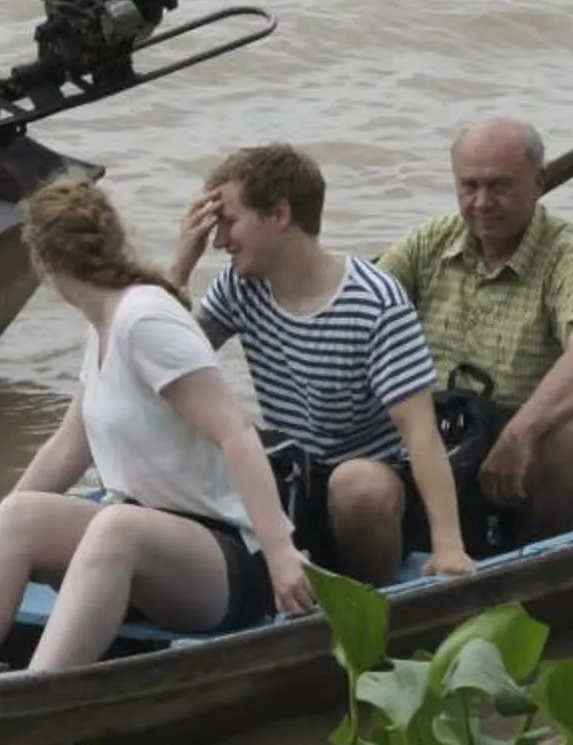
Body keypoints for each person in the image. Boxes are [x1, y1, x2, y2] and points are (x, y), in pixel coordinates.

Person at [0, 175, 313, 672]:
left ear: (43, 262)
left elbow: (235, 431)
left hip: (227, 562)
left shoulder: (143, 319)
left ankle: (40, 690)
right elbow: (69, 445)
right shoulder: (105, 322)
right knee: (19, 513)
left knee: (116, 525)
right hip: (144, 547)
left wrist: (280, 552)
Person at [166, 143, 474, 583]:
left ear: (280, 214)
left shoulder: (374, 302)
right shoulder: (239, 286)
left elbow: (420, 431)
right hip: (295, 477)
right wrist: (180, 267)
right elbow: (164, 361)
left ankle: (371, 596)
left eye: (229, 223)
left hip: (378, 491)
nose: (219, 242)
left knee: (356, 485)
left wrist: (449, 547)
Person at [378, 118, 573, 545]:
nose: (482, 203)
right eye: (469, 187)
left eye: (499, 187)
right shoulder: (426, 244)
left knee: (563, 438)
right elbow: (359, 311)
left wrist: (519, 434)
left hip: (539, 442)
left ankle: (533, 561)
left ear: (538, 183)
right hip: (447, 433)